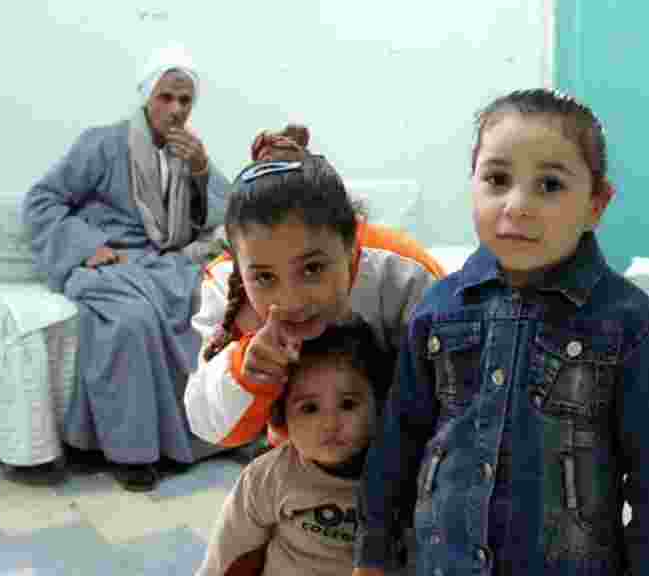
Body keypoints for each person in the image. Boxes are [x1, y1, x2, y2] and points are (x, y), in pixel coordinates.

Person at [353, 88, 649, 576]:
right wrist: (375, 550)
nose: (516, 205)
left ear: (597, 204)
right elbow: (399, 439)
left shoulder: (627, 322)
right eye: (497, 179)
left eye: (550, 185)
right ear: (472, 183)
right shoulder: (439, 307)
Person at [22, 44, 229, 491]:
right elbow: (41, 201)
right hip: (108, 263)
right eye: (166, 97)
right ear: (147, 96)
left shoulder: (190, 152)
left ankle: (198, 433)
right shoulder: (102, 143)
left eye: (185, 101)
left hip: (162, 265)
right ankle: (129, 452)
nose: (175, 110)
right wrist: (86, 245)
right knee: (129, 321)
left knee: (208, 303)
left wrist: (199, 172)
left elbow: (227, 212)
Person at [184, 150, 444, 449]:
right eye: (265, 278)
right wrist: (247, 371)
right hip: (298, 460)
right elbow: (206, 424)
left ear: (350, 245)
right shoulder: (226, 285)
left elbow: (458, 400)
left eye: (312, 269)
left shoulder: (405, 273)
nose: (291, 300)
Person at [197, 317, 396, 576]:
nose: (330, 424)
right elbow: (228, 552)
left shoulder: (400, 474)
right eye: (309, 408)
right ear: (282, 417)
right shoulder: (269, 476)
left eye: (348, 404)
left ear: (378, 404)